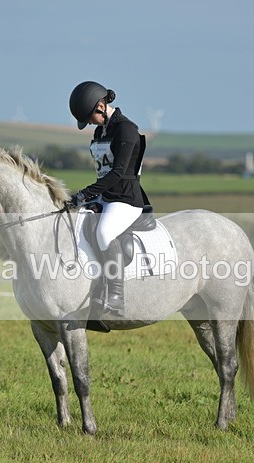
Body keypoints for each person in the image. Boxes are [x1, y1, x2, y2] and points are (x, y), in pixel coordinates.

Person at [66, 81, 150, 317]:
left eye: (90, 118)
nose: (91, 123)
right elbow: (103, 172)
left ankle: (116, 296)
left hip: (125, 199)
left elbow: (118, 173)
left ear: (101, 107)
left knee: (104, 232)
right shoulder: (100, 131)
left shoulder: (126, 130)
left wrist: (86, 193)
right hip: (106, 196)